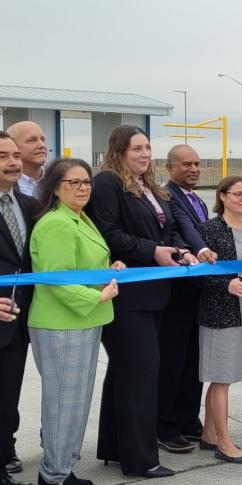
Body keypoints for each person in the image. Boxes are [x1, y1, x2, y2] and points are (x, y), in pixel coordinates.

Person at [87, 125, 197, 479]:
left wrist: (179, 250)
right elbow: (108, 234)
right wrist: (154, 251)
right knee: (141, 374)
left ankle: (116, 448)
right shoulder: (107, 184)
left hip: (155, 294)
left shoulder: (151, 188)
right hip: (127, 297)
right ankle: (140, 459)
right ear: (118, 151)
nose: (144, 154)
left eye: (148, 147)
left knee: (126, 373)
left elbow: (168, 231)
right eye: (136, 148)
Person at [28, 158, 125, 485]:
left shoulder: (79, 218)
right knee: (63, 404)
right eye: (74, 183)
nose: (83, 188)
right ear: (55, 188)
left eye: (86, 182)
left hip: (81, 322)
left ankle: (62, 469)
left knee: (76, 401)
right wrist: (95, 296)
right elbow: (56, 278)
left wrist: (109, 267)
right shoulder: (57, 223)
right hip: (61, 324)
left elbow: (83, 264)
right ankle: (53, 475)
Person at [197, 176, 242, 464]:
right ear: (222, 196)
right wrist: (225, 285)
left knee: (227, 374)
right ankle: (224, 442)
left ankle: (208, 433)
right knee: (221, 376)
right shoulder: (210, 229)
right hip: (219, 312)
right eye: (237, 194)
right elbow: (198, 273)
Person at [157, 144, 218, 454]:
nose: (194, 168)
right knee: (173, 361)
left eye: (197, 163)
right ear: (170, 169)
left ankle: (188, 419)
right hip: (177, 295)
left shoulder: (197, 199)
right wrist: (202, 251)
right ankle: (166, 426)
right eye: (186, 164)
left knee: (194, 359)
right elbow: (186, 231)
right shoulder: (168, 198)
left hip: (198, 293)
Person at [0, 131, 39, 485]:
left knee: (8, 392)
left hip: (18, 319)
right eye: (2, 156)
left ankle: (4, 451)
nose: (12, 162)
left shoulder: (27, 205)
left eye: (14, 155)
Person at [6, 121, 47, 197]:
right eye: (31, 140)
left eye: (42, 139)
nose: (41, 145)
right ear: (12, 145)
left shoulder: (58, 182)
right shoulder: (4, 186)